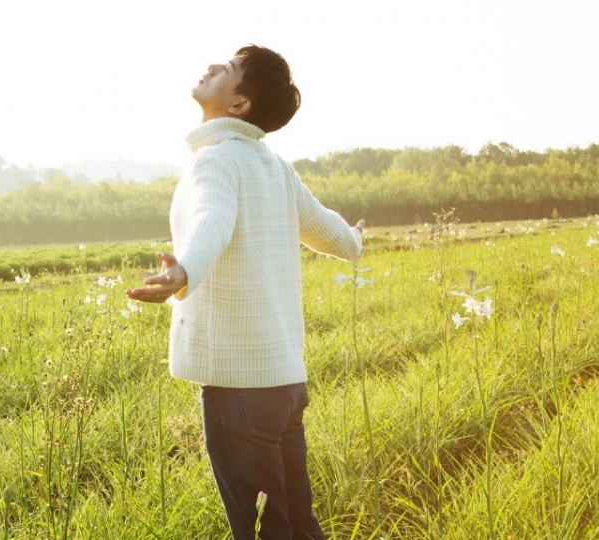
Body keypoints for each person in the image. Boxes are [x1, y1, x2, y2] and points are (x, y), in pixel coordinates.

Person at [126, 44, 364, 540]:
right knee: (296, 522)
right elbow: (333, 235)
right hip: (284, 385)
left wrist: (183, 271)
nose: (211, 67)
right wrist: (356, 236)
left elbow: (213, 218)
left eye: (227, 69)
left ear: (238, 106)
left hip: (241, 388)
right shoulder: (274, 167)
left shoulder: (216, 161)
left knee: (260, 532)